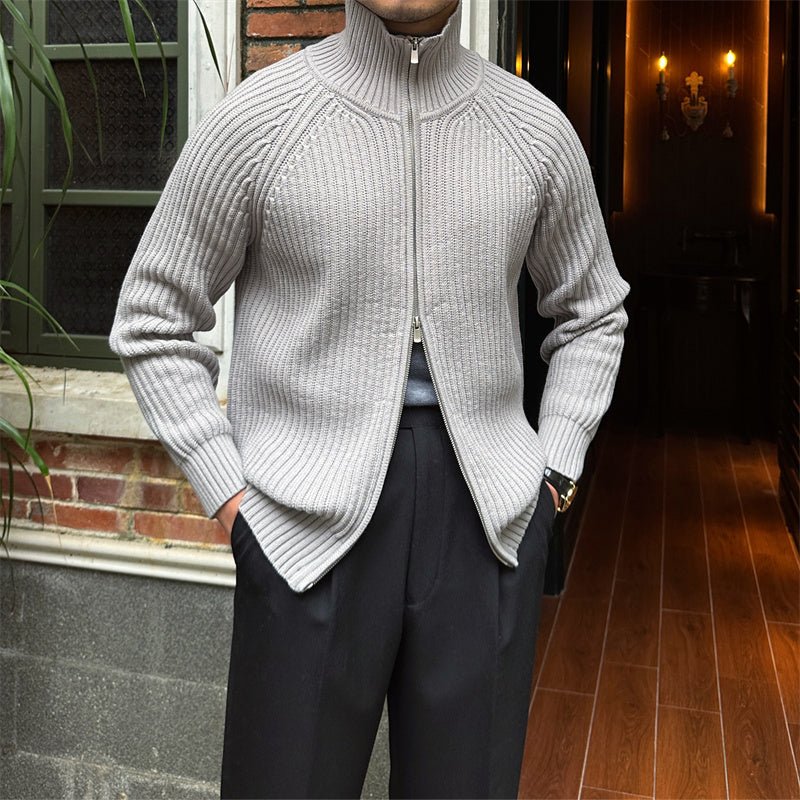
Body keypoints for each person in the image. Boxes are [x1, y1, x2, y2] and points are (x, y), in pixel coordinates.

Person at [109, 0, 631, 796]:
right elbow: (152, 316)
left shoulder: (535, 130)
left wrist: (554, 474)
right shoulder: (259, 121)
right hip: (298, 534)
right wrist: (235, 503)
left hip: (489, 529)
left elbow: (593, 311)